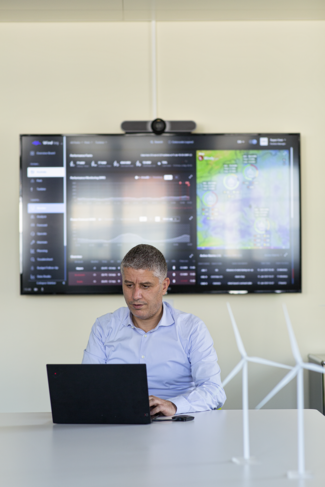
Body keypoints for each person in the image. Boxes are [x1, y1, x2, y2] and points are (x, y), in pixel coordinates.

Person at [82, 244, 226, 416]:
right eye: (129, 285)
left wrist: (174, 405)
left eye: (145, 286)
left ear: (164, 286)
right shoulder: (104, 326)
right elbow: (87, 388)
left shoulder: (191, 328)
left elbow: (215, 391)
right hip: (119, 424)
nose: (135, 295)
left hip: (176, 423)